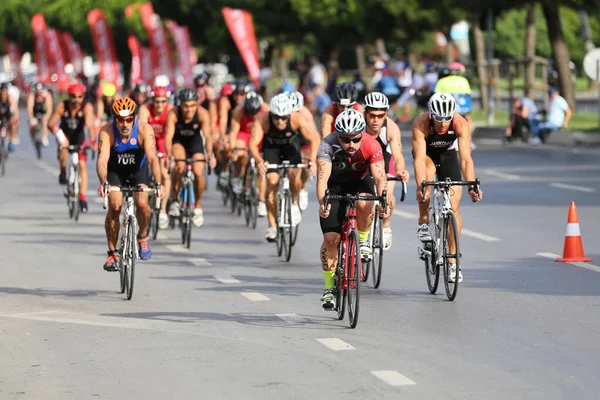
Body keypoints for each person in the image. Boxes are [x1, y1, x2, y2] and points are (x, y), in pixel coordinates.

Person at [316, 109, 389, 309]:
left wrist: (384, 202)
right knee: (331, 238)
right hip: (335, 187)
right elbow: (322, 180)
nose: (351, 145)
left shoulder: (371, 144)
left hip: (360, 183)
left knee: (366, 201)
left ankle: (363, 241)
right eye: (345, 140)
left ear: (362, 135)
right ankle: (329, 288)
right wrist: (323, 204)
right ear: (337, 136)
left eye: (355, 139)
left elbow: (380, 178)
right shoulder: (327, 145)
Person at [412, 93, 483, 283]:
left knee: (454, 206)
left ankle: (452, 261)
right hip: (426, 155)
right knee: (426, 178)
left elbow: (466, 159)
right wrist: (421, 186)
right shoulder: (421, 123)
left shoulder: (459, 123)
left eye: (447, 118)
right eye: (438, 118)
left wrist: (471, 186)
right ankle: (424, 221)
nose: (443, 123)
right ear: (431, 115)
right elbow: (419, 160)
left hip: (447, 156)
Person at [96, 97, 164, 270]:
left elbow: (153, 158)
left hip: (138, 171)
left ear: (134, 118)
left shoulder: (144, 129)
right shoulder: (107, 131)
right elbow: (102, 160)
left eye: (128, 119)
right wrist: (104, 182)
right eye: (120, 119)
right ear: (115, 119)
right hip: (115, 171)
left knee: (142, 202)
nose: (125, 124)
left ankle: (142, 236)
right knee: (115, 205)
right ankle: (112, 254)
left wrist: (158, 182)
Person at [248, 94, 318, 242]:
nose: (280, 121)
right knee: (271, 183)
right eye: (276, 117)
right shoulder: (263, 119)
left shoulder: (296, 119)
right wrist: (259, 160)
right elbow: (253, 144)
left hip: (290, 147)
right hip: (271, 148)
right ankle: (272, 226)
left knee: (294, 175)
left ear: (289, 115)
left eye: (284, 118)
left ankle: (293, 202)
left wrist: (312, 159)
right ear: (271, 114)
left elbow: (313, 138)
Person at [362, 92, 410, 250]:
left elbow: (398, 155)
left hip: (384, 161)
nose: (376, 120)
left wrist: (401, 170)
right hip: (363, 162)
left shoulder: (391, 128)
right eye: (372, 115)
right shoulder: (358, 125)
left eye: (380, 115)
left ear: (386, 114)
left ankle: (386, 227)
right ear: (365, 112)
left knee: (387, 195)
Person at [165, 88, 217, 227]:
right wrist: (169, 154)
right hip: (179, 142)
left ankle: (198, 206)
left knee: (199, 172)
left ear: (197, 104)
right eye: (186, 106)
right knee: (179, 166)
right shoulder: (173, 113)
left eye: (193, 105)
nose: (189, 110)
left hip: (195, 143)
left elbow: (207, 136)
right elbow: (168, 136)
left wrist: (210, 155)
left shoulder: (202, 114)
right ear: (180, 104)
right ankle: (175, 201)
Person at [47, 82, 96, 212]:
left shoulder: (87, 107)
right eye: (74, 97)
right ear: (69, 96)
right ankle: (63, 170)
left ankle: (83, 198)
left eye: (80, 97)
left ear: (83, 97)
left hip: (79, 138)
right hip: (65, 135)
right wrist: (57, 132)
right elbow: (50, 123)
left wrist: (92, 140)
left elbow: (90, 126)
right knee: (63, 147)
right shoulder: (62, 106)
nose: (76, 100)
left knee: (82, 165)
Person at [138, 86, 174, 228]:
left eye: (162, 101)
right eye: (156, 101)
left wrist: (167, 154)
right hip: (148, 140)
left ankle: (163, 210)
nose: (159, 105)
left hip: (163, 141)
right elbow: (142, 128)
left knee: (165, 174)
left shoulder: (171, 110)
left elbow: (170, 134)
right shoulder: (145, 109)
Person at [286, 90, 320, 210]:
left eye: (296, 111)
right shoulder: (281, 115)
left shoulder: (305, 114)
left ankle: (302, 187)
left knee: (305, 162)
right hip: (288, 137)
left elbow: (314, 137)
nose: (293, 114)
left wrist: (313, 159)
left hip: (302, 137)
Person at [26, 82, 53, 147]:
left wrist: (47, 116)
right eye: (37, 91)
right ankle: (33, 138)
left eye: (40, 91)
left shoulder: (47, 95)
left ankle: (44, 137)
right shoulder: (32, 96)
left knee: (44, 121)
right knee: (33, 124)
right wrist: (31, 117)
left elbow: (49, 108)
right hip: (34, 113)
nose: (39, 93)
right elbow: (29, 108)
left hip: (43, 113)